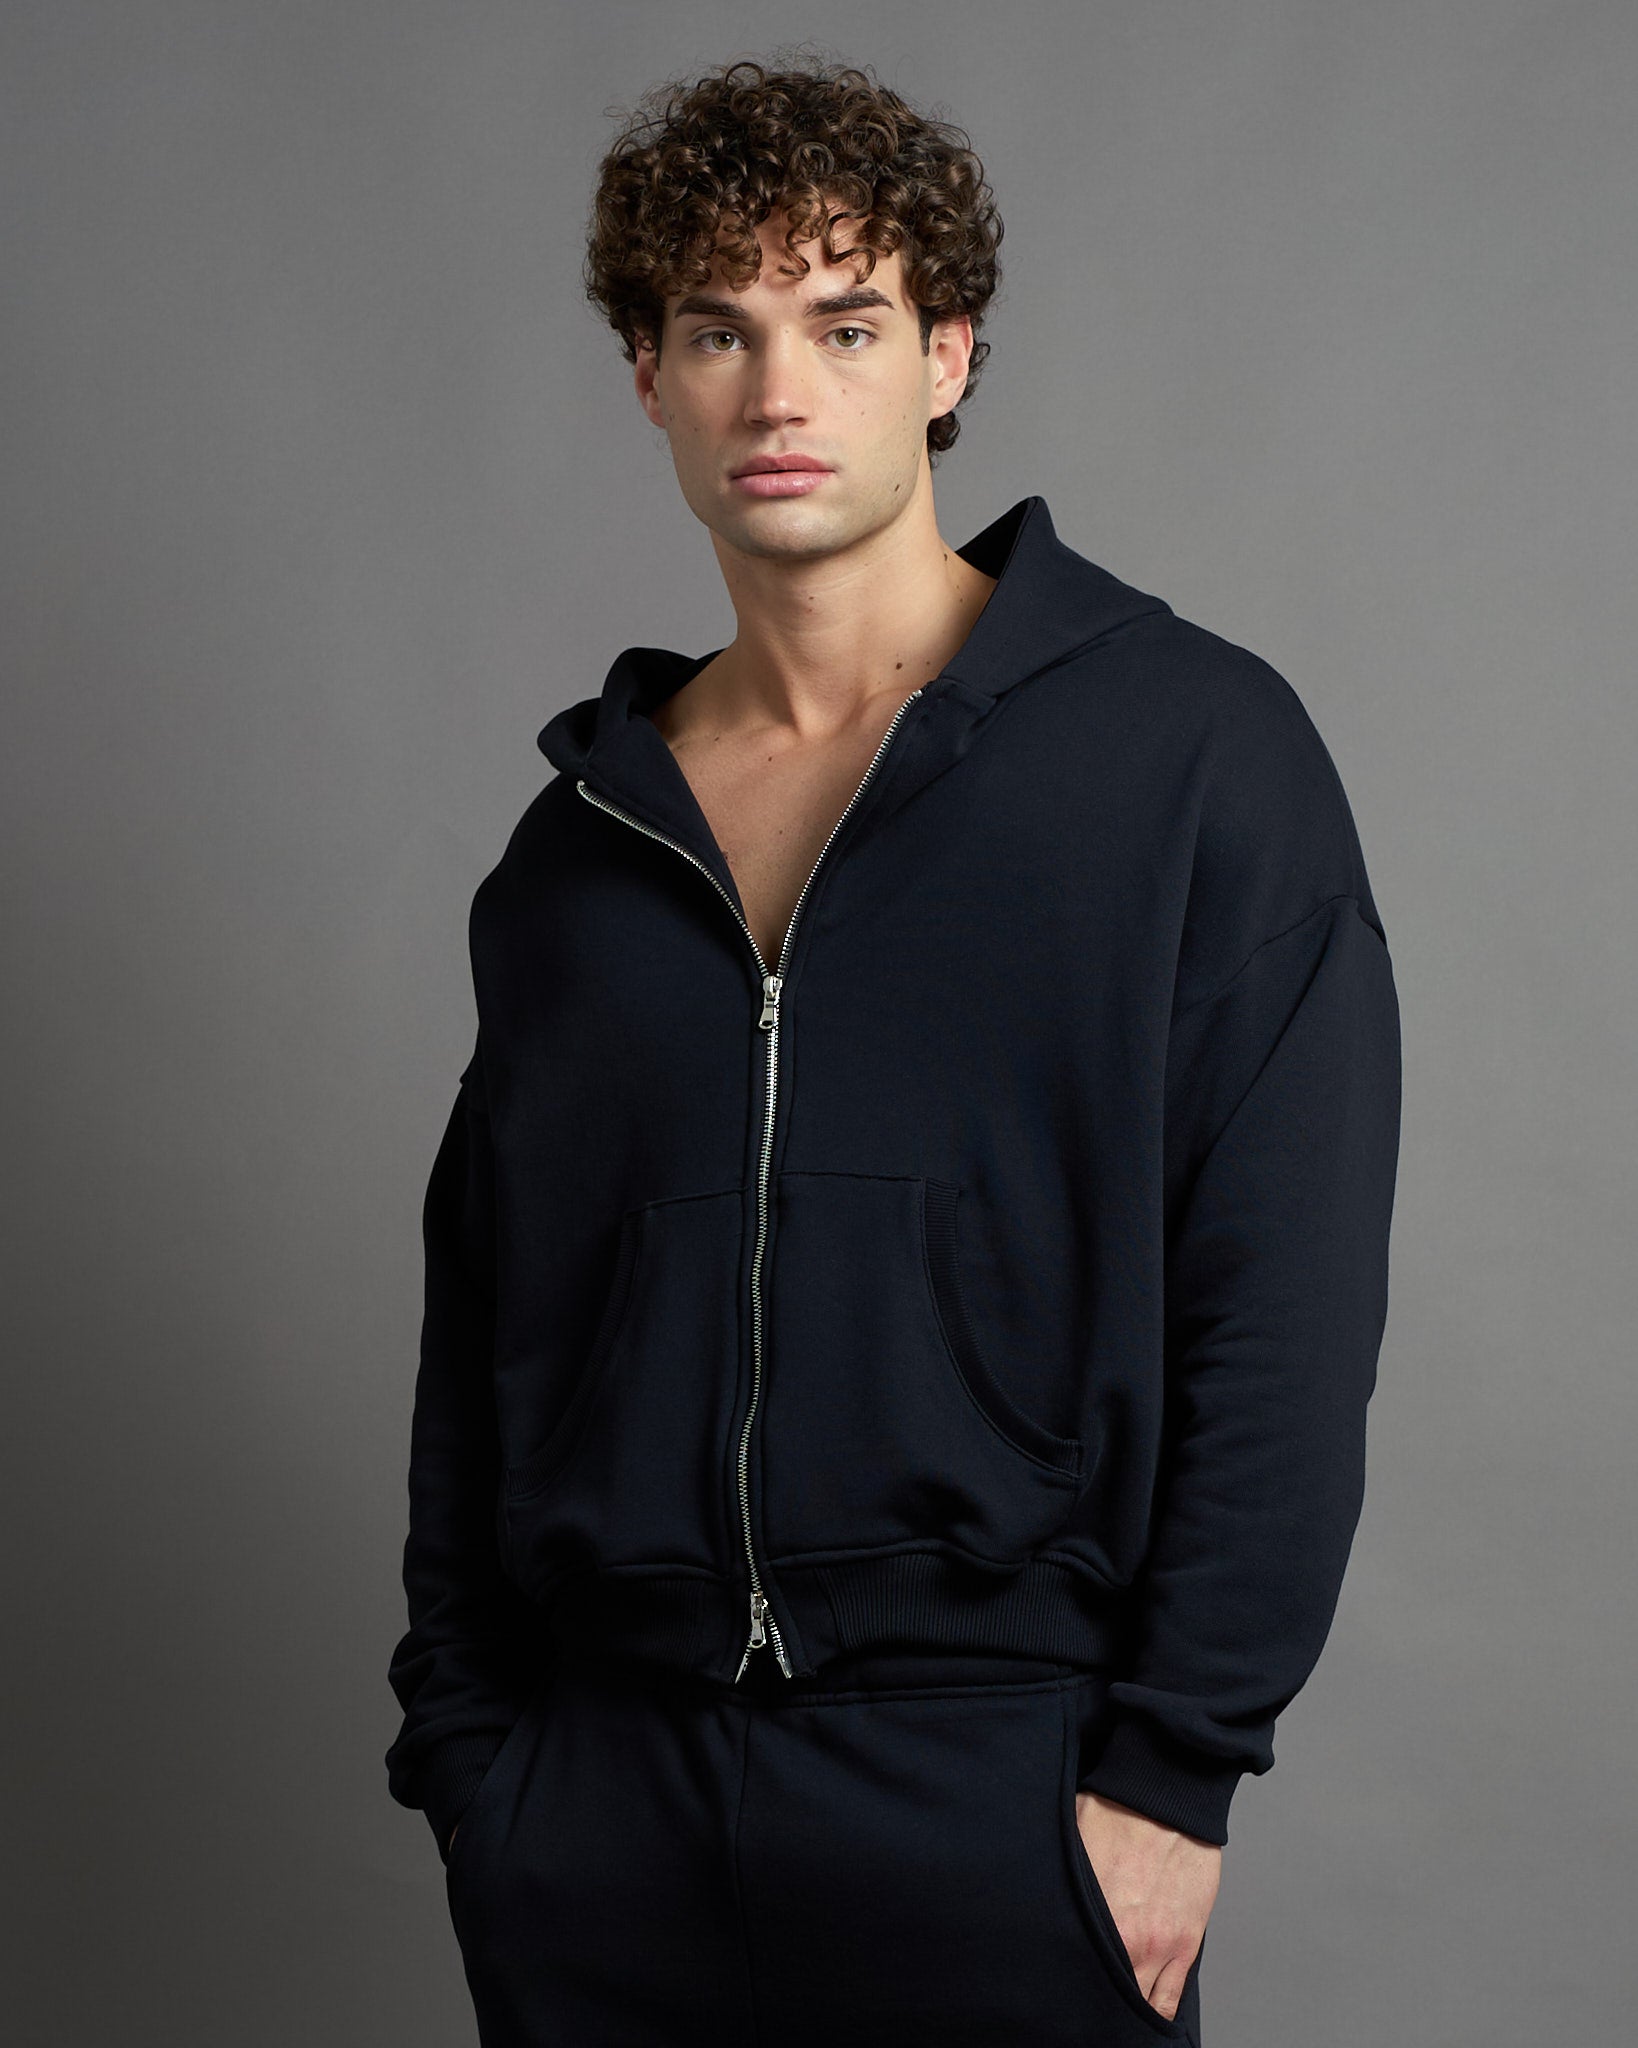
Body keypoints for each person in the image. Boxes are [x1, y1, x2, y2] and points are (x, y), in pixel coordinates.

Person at [384, 53, 1402, 2048]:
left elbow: (1283, 1297)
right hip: (598, 1817)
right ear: (650, 378)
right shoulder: (578, 852)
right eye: (719, 330)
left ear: (946, 357)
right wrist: (478, 1764)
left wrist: (1174, 1771)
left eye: (843, 324)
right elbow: (486, 1332)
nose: (779, 392)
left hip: (1003, 1792)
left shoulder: (1191, 761)